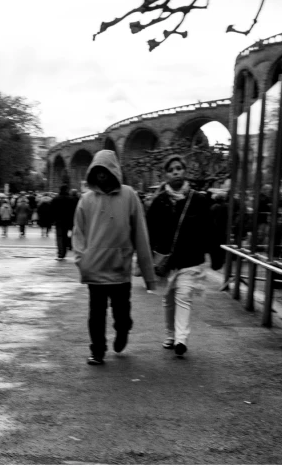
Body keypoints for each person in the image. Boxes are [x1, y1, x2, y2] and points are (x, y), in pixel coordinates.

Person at [72, 150, 156, 365]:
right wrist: (83, 261)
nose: (101, 175)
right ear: (93, 172)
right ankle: (97, 351)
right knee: (96, 314)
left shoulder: (129, 196)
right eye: (97, 170)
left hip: (120, 270)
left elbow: (140, 234)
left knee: (121, 312)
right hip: (95, 269)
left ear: (114, 170)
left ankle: (123, 329)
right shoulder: (85, 200)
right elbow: (78, 235)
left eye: (105, 170)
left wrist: (149, 275)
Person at [147, 155, 223, 358]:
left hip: (190, 258)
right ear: (166, 174)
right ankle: (170, 334)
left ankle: (181, 339)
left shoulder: (198, 200)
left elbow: (210, 228)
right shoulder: (160, 201)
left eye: (179, 168)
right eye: (171, 169)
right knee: (169, 298)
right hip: (165, 259)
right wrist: (146, 255)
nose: (175, 172)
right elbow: (149, 230)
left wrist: (216, 254)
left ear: (184, 171)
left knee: (183, 296)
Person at [51, 184, 77, 260]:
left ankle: (60, 253)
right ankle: (65, 250)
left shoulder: (56, 199)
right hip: (68, 221)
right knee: (67, 236)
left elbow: (52, 210)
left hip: (59, 221)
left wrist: (53, 219)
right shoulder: (71, 199)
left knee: (59, 237)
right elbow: (74, 211)